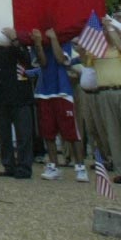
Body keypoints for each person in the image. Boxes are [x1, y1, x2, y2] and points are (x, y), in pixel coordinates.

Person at [0, 32, 37, 179]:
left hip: (19, 95)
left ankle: (24, 166)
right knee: (4, 134)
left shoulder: (20, 44)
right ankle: (9, 165)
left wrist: (14, 40)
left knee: (23, 134)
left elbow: (27, 60)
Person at [32, 27, 84, 181]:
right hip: (44, 90)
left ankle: (80, 167)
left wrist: (54, 39)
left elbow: (62, 59)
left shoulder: (65, 40)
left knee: (71, 132)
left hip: (62, 90)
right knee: (48, 132)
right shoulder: (36, 40)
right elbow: (43, 62)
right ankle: (53, 165)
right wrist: (38, 44)